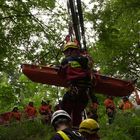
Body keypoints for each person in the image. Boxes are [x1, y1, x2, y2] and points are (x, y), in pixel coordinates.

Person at [60, 41, 95, 127]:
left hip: (74, 91)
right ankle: (77, 130)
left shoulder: (66, 61)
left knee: (65, 110)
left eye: (66, 52)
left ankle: (65, 129)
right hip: (84, 94)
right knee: (77, 113)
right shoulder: (85, 60)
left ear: (70, 51)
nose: (65, 54)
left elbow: (61, 74)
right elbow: (89, 70)